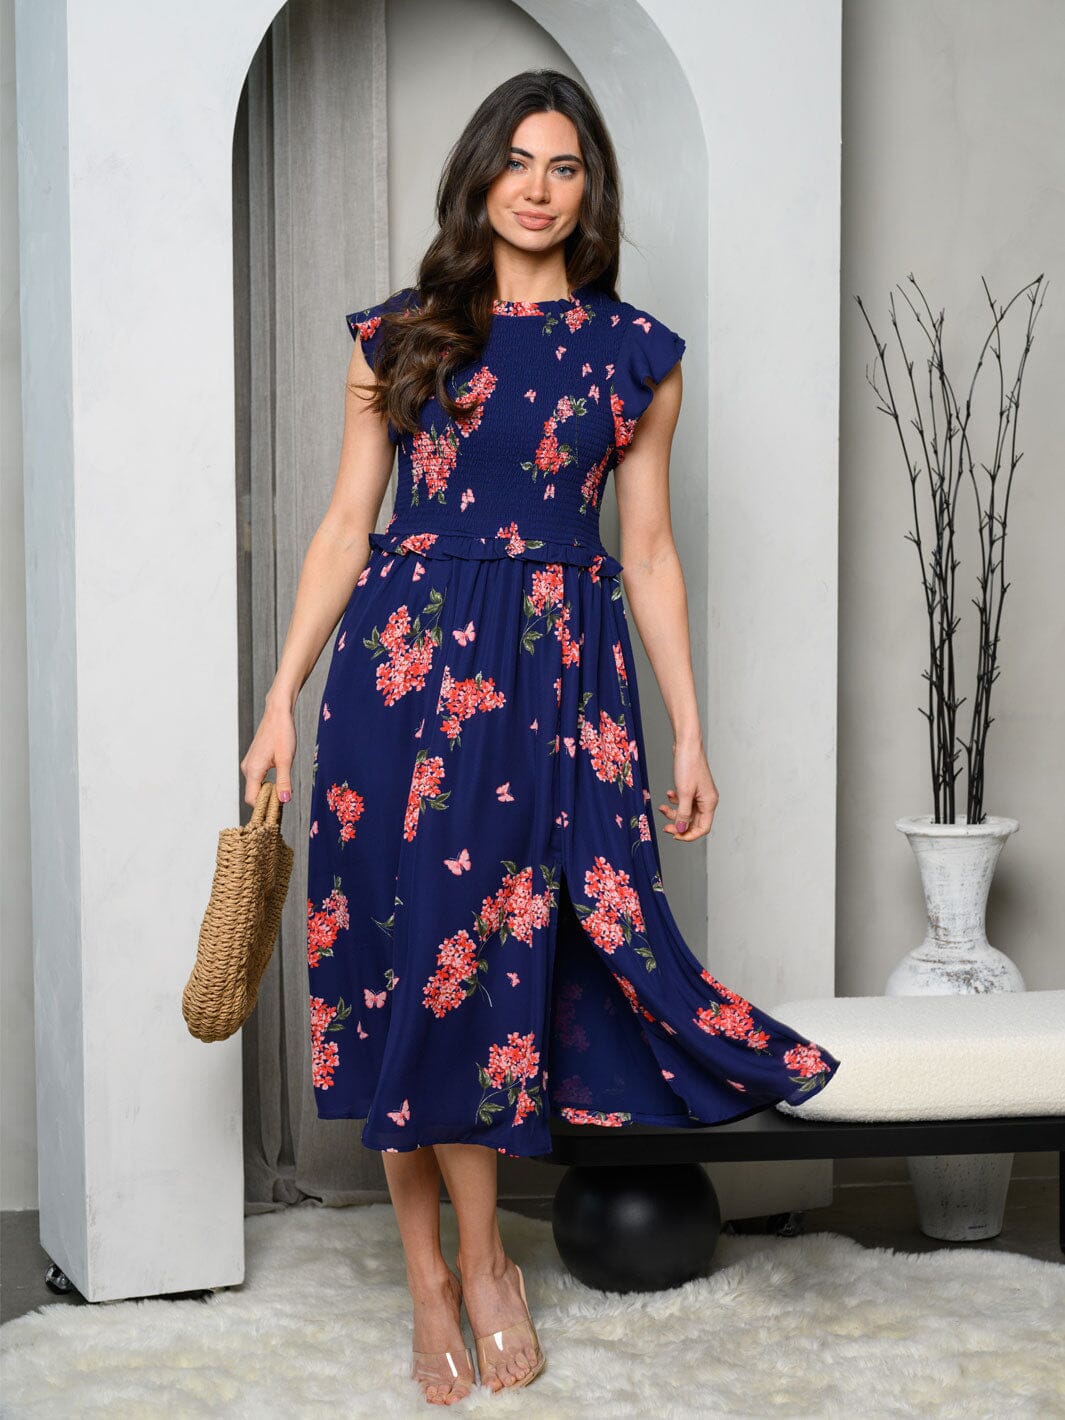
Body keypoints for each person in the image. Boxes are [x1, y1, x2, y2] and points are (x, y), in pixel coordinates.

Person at [240, 69, 841, 1406]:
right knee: (402, 957)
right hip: (398, 678)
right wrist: (279, 697)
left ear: (590, 191)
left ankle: (486, 1260)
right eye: (515, 161)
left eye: (563, 166)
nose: (536, 186)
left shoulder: (635, 356)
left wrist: (690, 734)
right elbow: (343, 529)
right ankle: (434, 1275)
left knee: (481, 960)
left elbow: (650, 552)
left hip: (548, 688)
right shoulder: (400, 336)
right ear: (479, 177)